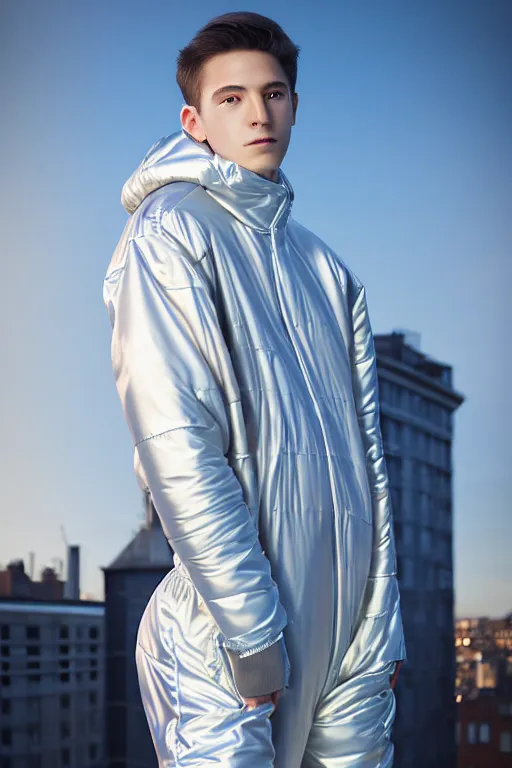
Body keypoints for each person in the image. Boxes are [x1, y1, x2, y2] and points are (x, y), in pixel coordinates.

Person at [103, 11, 406, 767]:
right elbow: (176, 437)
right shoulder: (171, 230)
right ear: (194, 119)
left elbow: (370, 462)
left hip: (345, 649)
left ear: (295, 105)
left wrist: (379, 631)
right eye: (232, 98)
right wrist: (250, 633)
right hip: (228, 642)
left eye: (273, 94)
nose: (258, 113)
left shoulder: (330, 273)